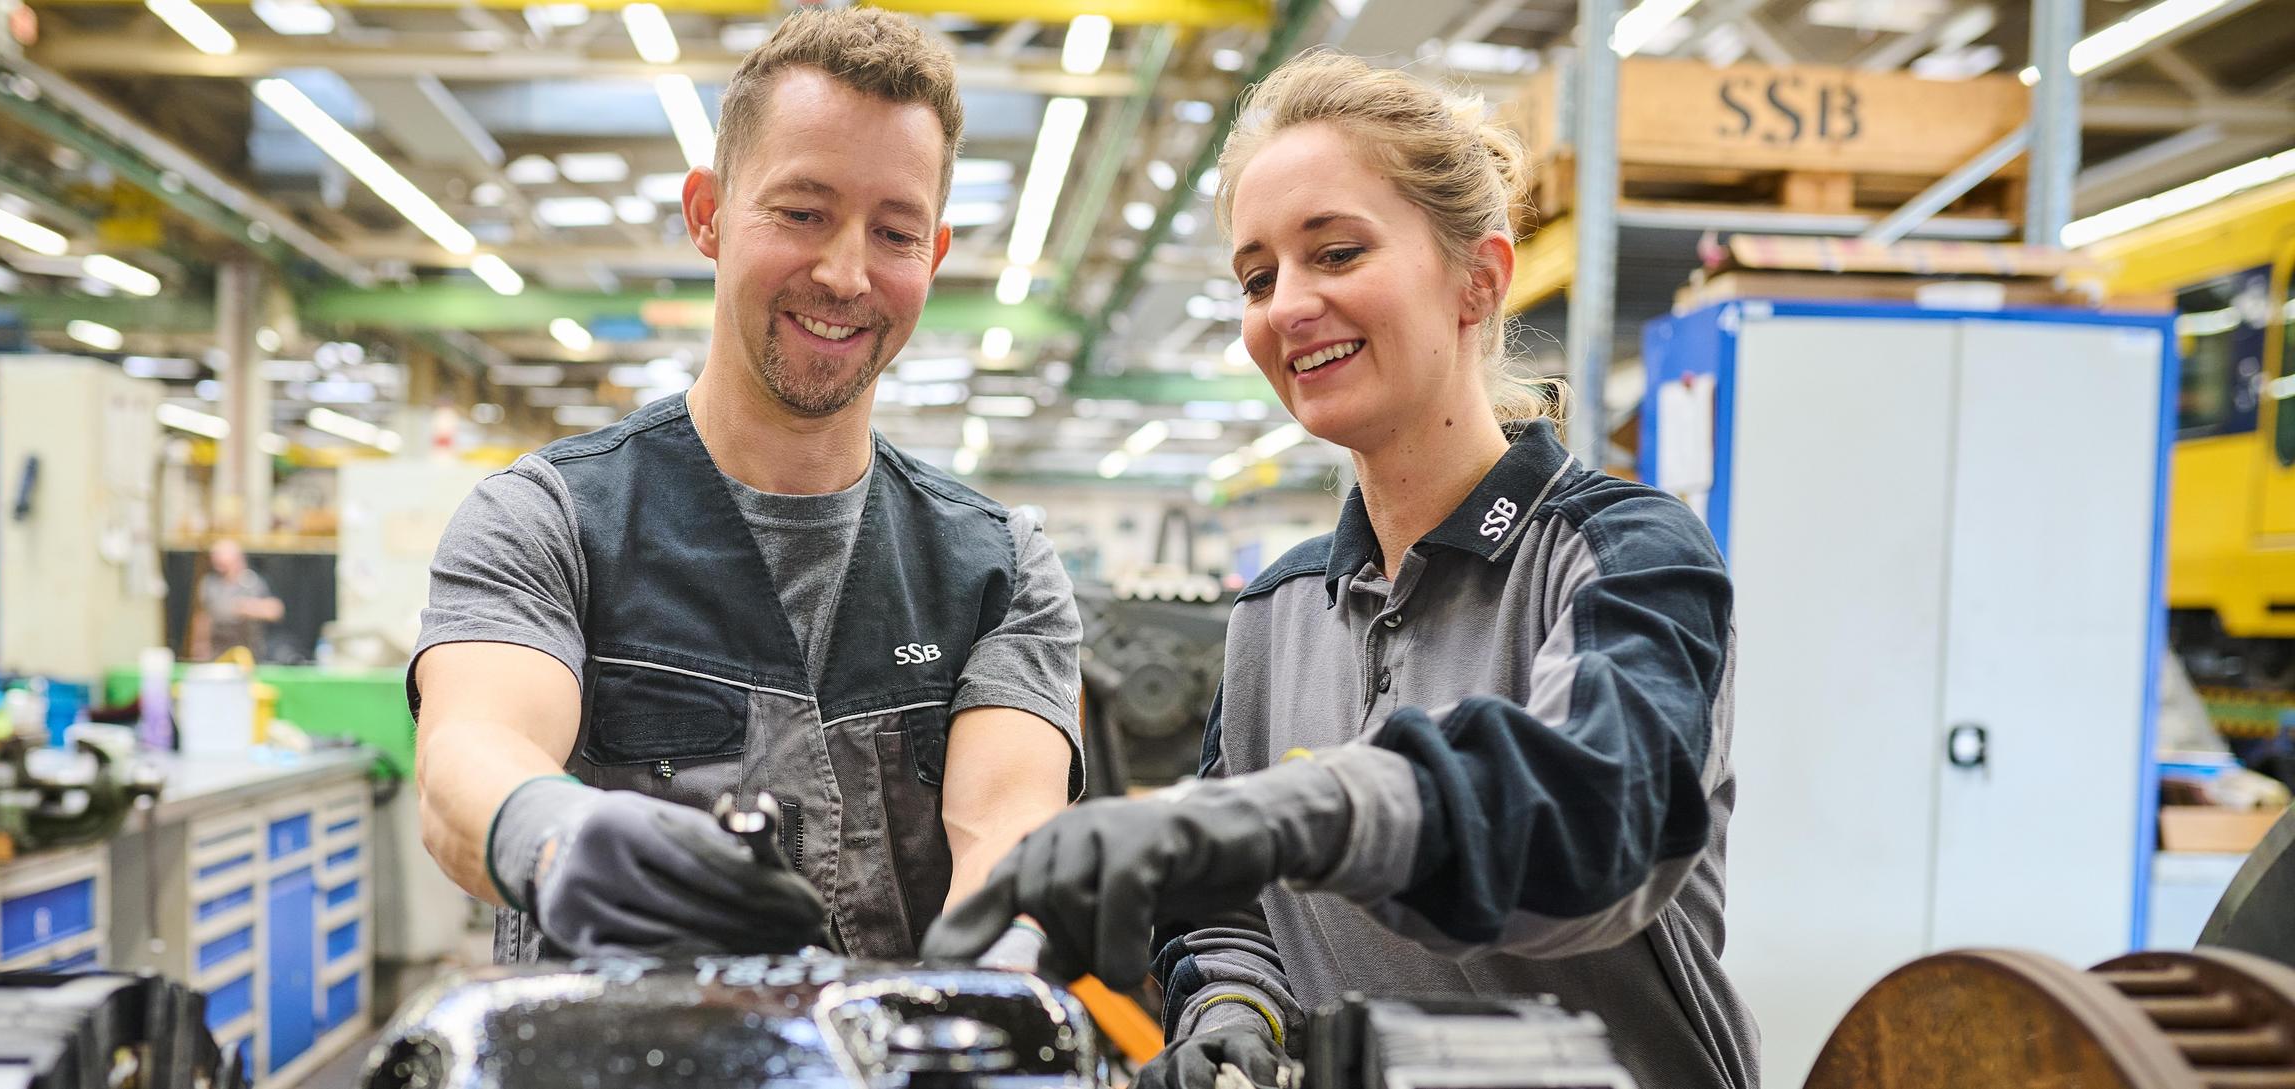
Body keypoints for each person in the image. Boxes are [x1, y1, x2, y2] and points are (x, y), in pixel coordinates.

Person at [925, 50, 1757, 1089]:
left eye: (1336, 252)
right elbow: (1231, 913)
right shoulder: (1276, 613)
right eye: (1258, 277)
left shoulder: (1622, 556)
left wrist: (1282, 814)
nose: (1287, 306)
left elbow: (1595, 823)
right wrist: (1233, 1006)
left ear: (1478, 280)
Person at [412, 7, 1084, 965]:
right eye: (802, 213)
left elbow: (1006, 826)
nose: (846, 273)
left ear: (932, 257)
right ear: (708, 215)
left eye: (895, 232)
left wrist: (1009, 950)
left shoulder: (1000, 568)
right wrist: (557, 835)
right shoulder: (547, 521)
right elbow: (465, 763)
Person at [191, 538, 284, 660]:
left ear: (237, 559)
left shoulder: (252, 582)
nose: (216, 560)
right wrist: (200, 645)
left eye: (221, 555)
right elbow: (202, 617)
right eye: (214, 555)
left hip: (248, 653)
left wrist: (247, 607)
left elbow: (276, 610)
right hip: (218, 654)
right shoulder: (210, 584)